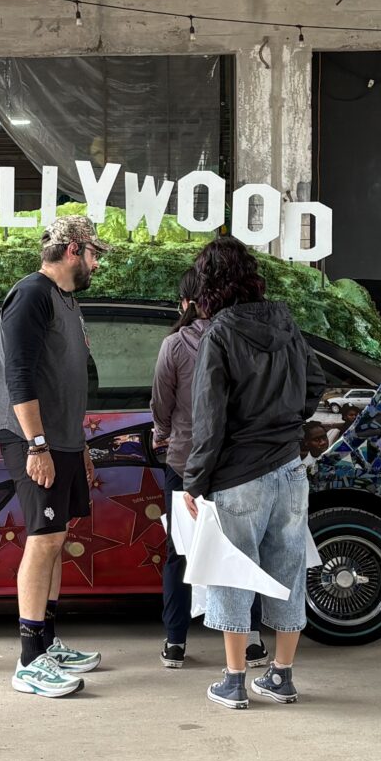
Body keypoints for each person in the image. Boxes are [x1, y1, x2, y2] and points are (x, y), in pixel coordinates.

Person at [182, 236, 325, 710]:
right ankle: (282, 676)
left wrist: (195, 481)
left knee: (232, 573)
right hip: (289, 468)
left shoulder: (219, 333)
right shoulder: (285, 322)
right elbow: (316, 381)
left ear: (209, 284)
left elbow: (209, 419)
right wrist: (288, 423)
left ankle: (234, 681)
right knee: (288, 569)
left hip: (238, 474)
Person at [0, 215, 106, 698]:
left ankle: (46, 640)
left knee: (56, 538)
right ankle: (28, 660)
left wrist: (77, 444)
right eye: (94, 254)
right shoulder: (32, 294)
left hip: (61, 438)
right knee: (43, 539)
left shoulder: (65, 299)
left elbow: (66, 377)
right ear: (73, 249)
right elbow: (18, 374)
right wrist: (37, 444)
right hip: (33, 439)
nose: (97, 264)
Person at [151, 268, 210, 669]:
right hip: (231, 463)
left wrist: (163, 434)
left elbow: (161, 403)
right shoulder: (234, 338)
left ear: (185, 303)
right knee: (237, 547)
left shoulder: (173, 345)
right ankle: (252, 640)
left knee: (180, 552)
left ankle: (175, 642)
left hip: (184, 459)